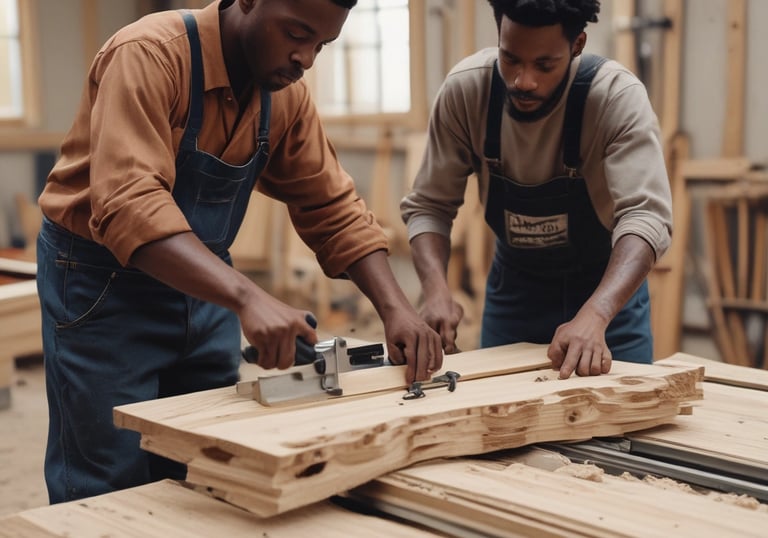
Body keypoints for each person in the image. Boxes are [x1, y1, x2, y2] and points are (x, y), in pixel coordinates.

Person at [36, 0, 442, 504]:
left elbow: (333, 205)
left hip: (205, 291)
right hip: (102, 286)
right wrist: (250, 299)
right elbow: (129, 207)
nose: (306, 59)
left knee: (201, 465)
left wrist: (397, 309)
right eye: (297, 34)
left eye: (321, 45)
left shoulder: (282, 93)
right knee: (108, 477)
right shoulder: (149, 54)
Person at [400, 0, 672, 380]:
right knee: (501, 421)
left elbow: (647, 216)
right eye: (510, 59)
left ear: (577, 45)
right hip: (516, 293)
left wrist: (596, 313)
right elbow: (429, 205)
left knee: (619, 427)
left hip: (606, 293)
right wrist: (435, 291)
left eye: (544, 65)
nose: (523, 81)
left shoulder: (615, 97)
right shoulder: (467, 91)